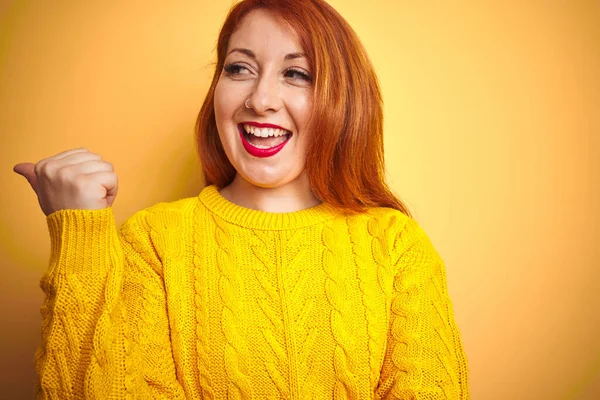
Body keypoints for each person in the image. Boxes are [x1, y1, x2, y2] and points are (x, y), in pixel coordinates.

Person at [13, 0, 470, 398]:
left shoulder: (394, 245)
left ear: (342, 99)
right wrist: (80, 235)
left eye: (296, 73)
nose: (261, 98)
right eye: (239, 68)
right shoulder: (153, 242)